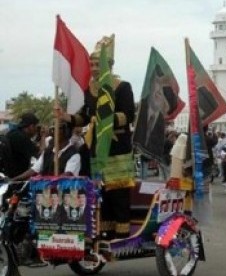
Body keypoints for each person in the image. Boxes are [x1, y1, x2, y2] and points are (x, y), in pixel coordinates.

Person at [55, 35, 135, 239]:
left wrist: (105, 121)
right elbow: (84, 116)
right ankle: (103, 229)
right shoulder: (88, 89)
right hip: (95, 147)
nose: (94, 67)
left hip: (117, 148)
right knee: (99, 192)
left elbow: (128, 115)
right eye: (91, 63)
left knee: (117, 191)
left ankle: (122, 233)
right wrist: (65, 116)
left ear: (110, 64)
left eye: (97, 63)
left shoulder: (122, 86)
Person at [12, 122, 81, 180]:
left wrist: (47, 181)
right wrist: (14, 179)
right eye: (53, 129)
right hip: (46, 192)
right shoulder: (48, 152)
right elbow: (34, 170)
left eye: (57, 129)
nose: (54, 132)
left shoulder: (74, 155)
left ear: (66, 132)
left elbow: (67, 175)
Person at [5, 112, 40, 178]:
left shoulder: (11, 133)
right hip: (16, 178)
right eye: (36, 127)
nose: (36, 130)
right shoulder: (23, 138)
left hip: (7, 175)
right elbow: (40, 155)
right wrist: (43, 136)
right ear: (31, 126)